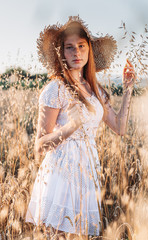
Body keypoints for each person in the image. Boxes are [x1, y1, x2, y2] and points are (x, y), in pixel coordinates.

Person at [25, 16, 136, 238]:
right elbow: (39, 146)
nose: (76, 52)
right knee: (59, 235)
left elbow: (120, 127)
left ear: (89, 50)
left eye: (81, 46)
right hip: (61, 172)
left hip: (87, 171)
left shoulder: (95, 89)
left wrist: (128, 90)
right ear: (62, 53)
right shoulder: (54, 89)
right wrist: (70, 128)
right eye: (69, 47)